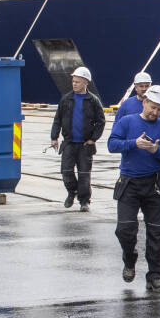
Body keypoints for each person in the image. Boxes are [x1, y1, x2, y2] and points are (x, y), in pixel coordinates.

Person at [107, 84, 160, 293]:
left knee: (157, 233)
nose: (155, 112)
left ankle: (154, 276)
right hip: (129, 183)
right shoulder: (127, 122)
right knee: (125, 229)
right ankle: (129, 259)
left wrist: (157, 150)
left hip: (155, 184)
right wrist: (134, 143)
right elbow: (112, 145)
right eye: (152, 107)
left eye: (159, 109)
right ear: (144, 101)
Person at [50, 66, 105, 210]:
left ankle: (84, 201)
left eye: (78, 82)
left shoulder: (93, 100)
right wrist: (54, 137)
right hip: (68, 143)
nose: (74, 84)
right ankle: (72, 191)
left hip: (85, 145)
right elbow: (58, 119)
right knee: (66, 171)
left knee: (84, 174)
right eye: (73, 81)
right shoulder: (66, 99)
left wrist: (93, 139)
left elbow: (101, 121)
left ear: (86, 83)